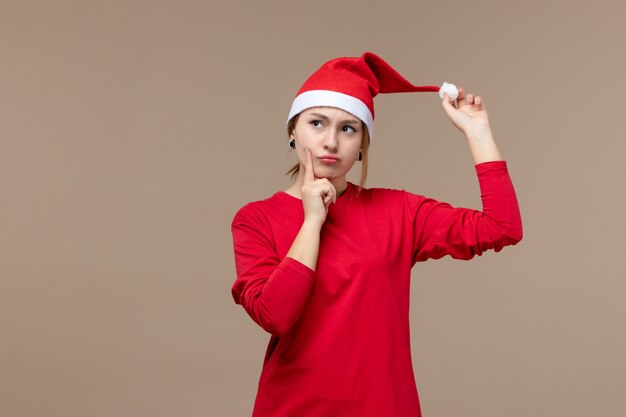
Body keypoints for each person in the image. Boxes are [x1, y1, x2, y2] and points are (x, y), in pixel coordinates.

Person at [230, 52, 523, 417]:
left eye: (348, 128)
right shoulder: (256, 219)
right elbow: (275, 315)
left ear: (362, 144)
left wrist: (478, 133)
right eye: (317, 123)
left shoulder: (398, 212)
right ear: (293, 130)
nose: (331, 142)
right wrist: (311, 222)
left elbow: (502, 227)